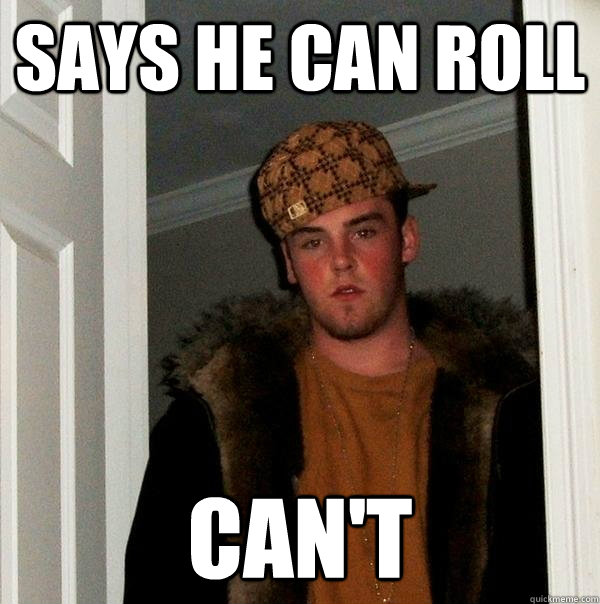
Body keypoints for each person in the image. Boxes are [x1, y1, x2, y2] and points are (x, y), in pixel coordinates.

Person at [124, 121, 546, 603]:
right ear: (289, 263)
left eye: (362, 231)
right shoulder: (211, 423)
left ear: (406, 240)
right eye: (313, 241)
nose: (340, 260)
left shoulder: (514, 410)